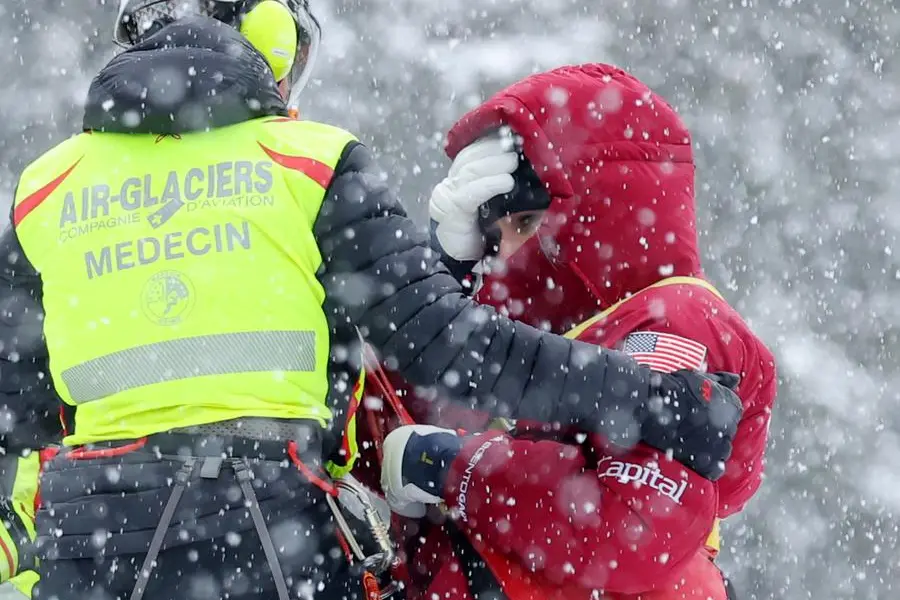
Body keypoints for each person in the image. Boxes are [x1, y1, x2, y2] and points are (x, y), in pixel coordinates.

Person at [3, 3, 743, 600]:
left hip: (89, 540)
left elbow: (18, 413)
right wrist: (649, 399)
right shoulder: (309, 162)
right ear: (270, 41)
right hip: (262, 534)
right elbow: (449, 346)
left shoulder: (44, 190)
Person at [374, 64, 776, 600]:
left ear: (592, 213)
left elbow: (628, 528)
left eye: (522, 223)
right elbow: (389, 432)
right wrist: (446, 278)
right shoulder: (571, 339)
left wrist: (456, 467)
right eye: (492, 235)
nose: (504, 251)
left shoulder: (673, 318)